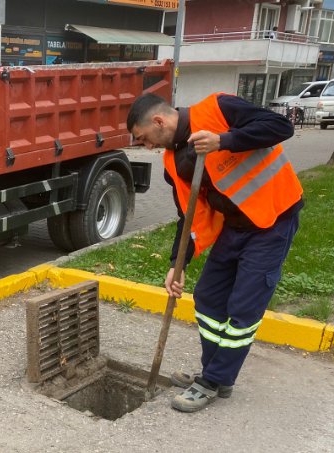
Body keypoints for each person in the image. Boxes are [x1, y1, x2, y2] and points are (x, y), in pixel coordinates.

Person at [126, 93, 303, 413]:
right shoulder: (172, 161)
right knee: (208, 297)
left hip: (273, 220)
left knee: (243, 307)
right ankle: (215, 374)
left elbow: (280, 126)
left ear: (159, 121)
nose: (147, 147)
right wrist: (176, 265)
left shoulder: (219, 108)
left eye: (144, 139)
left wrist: (224, 140)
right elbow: (188, 213)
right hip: (234, 228)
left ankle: (212, 380)